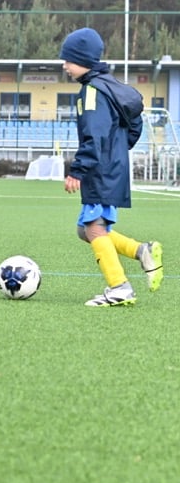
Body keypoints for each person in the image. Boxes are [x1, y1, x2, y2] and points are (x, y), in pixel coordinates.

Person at [59, 26, 163, 306]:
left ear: (83, 60)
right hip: (110, 168)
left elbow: (95, 134)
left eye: (68, 60)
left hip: (100, 171)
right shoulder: (111, 86)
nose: (65, 65)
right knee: (86, 230)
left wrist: (77, 170)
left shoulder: (92, 92)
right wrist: (119, 150)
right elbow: (135, 123)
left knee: (93, 229)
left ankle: (120, 287)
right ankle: (142, 251)